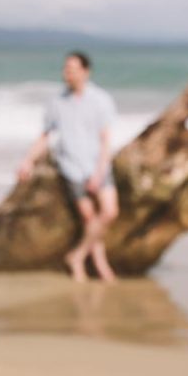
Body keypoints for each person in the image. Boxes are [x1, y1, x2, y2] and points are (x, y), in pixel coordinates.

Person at [18, 51, 119, 283]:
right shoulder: (57, 102)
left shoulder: (101, 100)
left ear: (85, 72)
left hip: (97, 164)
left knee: (110, 212)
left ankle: (78, 255)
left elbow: (106, 140)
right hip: (71, 167)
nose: (68, 73)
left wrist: (99, 172)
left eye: (72, 69)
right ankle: (101, 265)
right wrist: (27, 161)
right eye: (66, 69)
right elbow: (45, 136)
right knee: (88, 216)